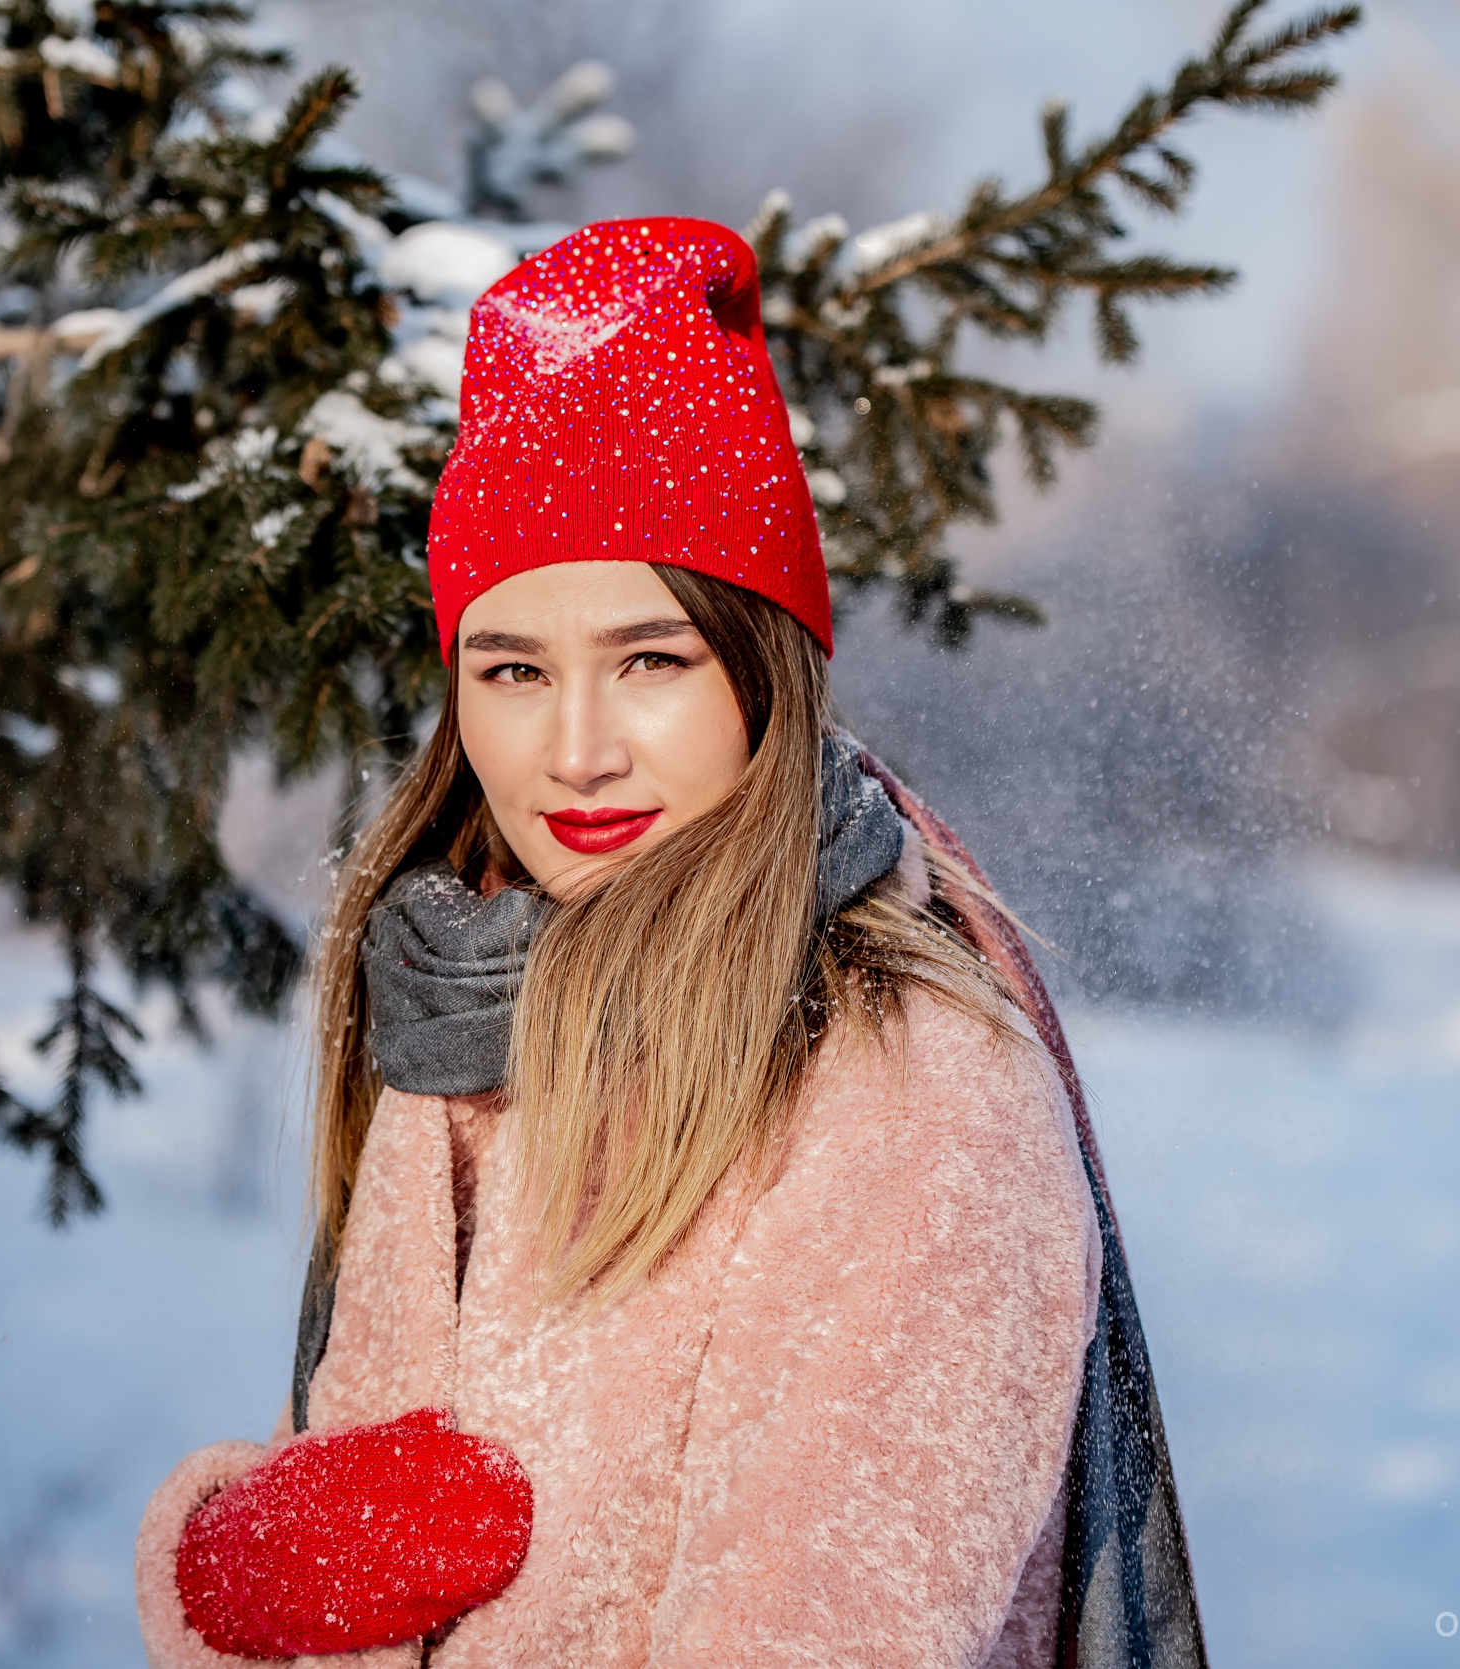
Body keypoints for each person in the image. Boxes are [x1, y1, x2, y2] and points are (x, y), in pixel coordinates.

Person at [135, 217, 1204, 1668]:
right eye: (513, 669)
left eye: (650, 659)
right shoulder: (447, 1016)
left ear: (764, 674)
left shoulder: (907, 1086)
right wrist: (233, 1577)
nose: (574, 749)